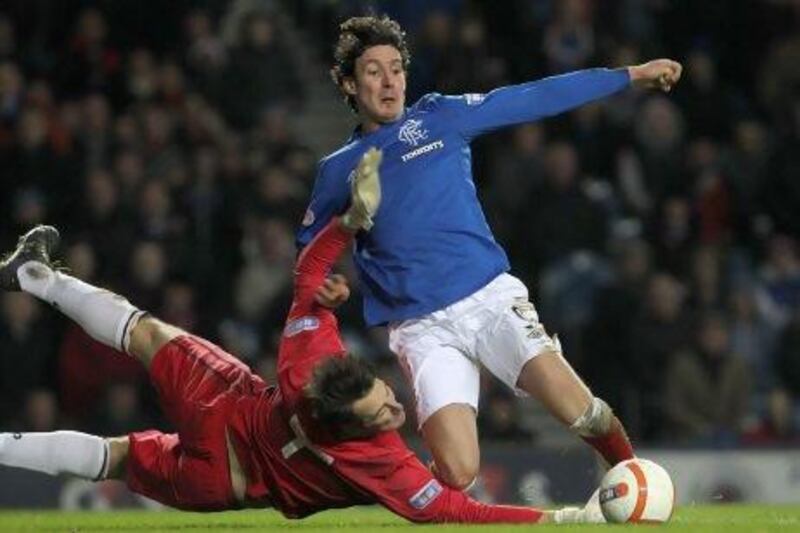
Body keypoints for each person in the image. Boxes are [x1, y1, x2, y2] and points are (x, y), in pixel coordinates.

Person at [0, 150, 598, 524]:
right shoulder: (381, 463)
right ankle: (31, 282)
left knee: (147, 339)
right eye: (383, 408)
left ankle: (36, 277)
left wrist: (347, 226)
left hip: (228, 411)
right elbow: (450, 508)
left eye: (384, 402)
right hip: (223, 481)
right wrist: (559, 521)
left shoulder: (306, 361)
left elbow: (309, 274)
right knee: (115, 457)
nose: (395, 405)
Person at [297, 14, 683, 490]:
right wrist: (330, 284)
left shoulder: (440, 116)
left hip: (489, 299)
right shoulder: (337, 171)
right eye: (373, 71)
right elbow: (310, 258)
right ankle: (403, 494)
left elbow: (530, 98)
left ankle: (635, 483)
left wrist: (629, 75)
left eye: (396, 67)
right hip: (421, 327)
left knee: (586, 415)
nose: (389, 80)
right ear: (348, 84)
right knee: (459, 473)